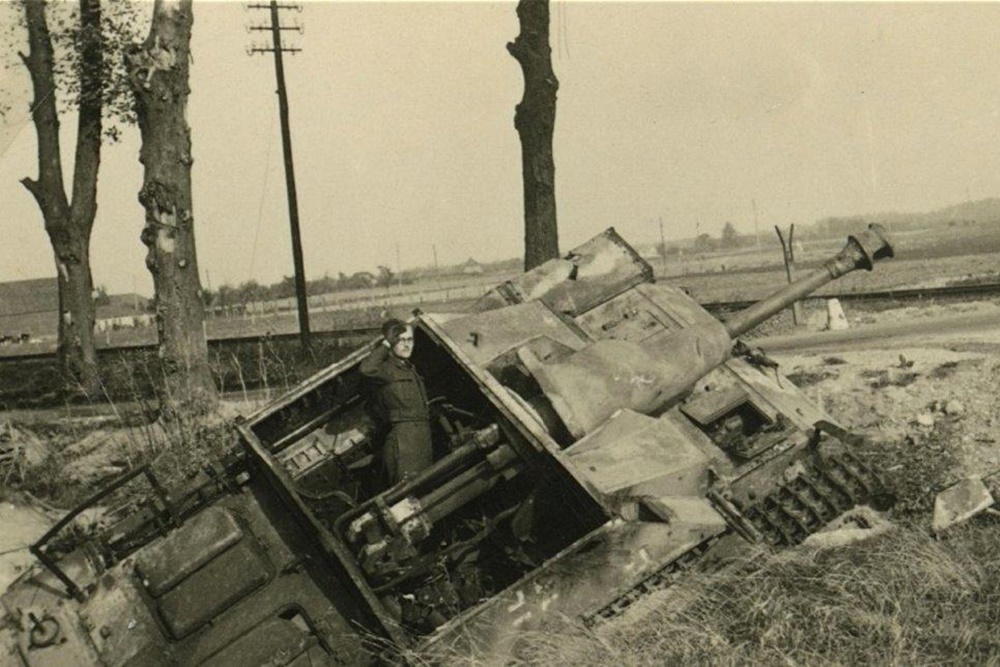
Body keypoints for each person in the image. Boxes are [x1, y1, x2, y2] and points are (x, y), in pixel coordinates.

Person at [359, 318, 433, 485]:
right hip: (404, 441)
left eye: (410, 339)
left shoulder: (410, 369)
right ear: (391, 341)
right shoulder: (385, 369)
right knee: (405, 493)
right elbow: (366, 369)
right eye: (400, 340)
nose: (407, 345)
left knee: (423, 489)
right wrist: (385, 344)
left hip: (421, 438)